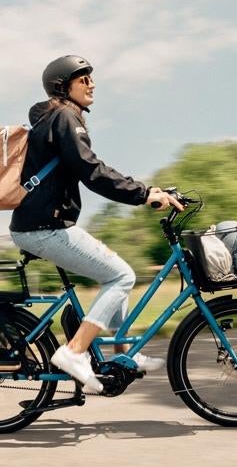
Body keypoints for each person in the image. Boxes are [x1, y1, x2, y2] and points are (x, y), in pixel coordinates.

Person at [10, 55, 183, 394]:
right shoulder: (64, 117)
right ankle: (73, 351)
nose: (91, 83)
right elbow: (92, 171)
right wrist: (143, 194)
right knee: (122, 276)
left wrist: (148, 190)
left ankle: (122, 354)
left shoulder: (59, 118)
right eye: (83, 78)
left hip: (46, 224)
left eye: (91, 77)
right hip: (44, 227)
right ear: (63, 86)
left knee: (115, 271)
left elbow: (93, 167)